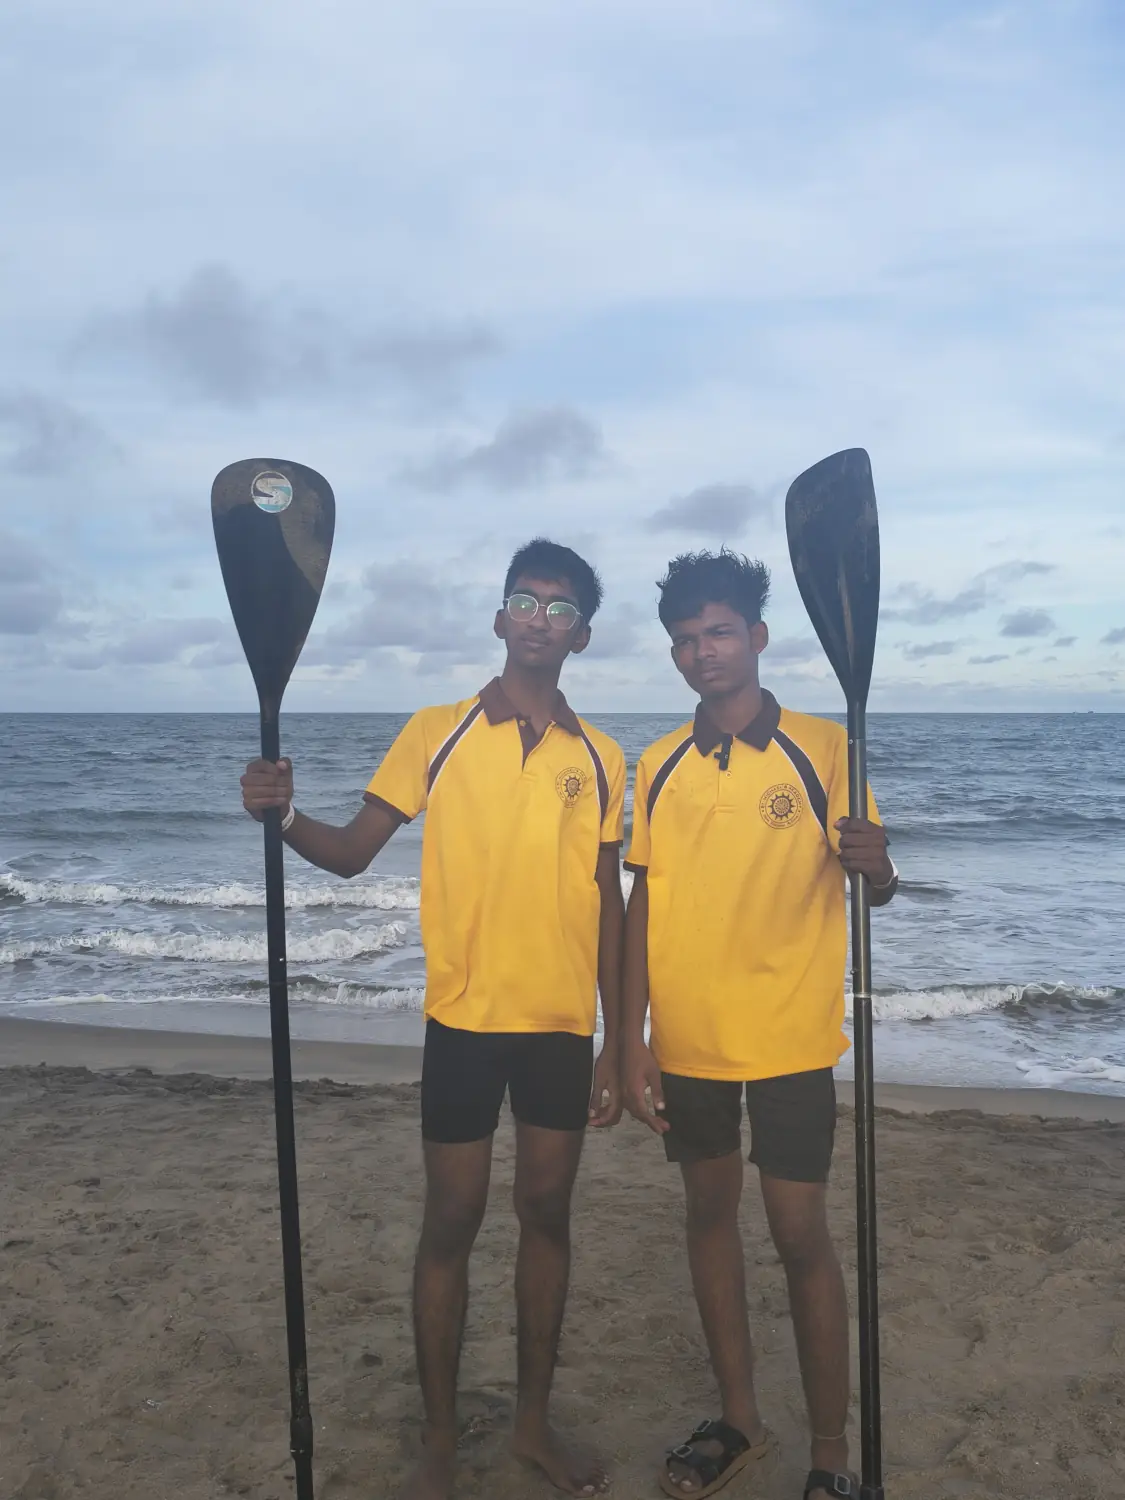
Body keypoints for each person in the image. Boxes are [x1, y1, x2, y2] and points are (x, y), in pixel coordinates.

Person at [241, 539, 626, 1500]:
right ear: (498, 619)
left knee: (546, 1215)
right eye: (524, 601)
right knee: (450, 1219)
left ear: (581, 637)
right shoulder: (436, 731)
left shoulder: (601, 756)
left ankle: (530, 1425)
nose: (539, 619)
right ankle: (441, 1442)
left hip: (558, 1027)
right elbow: (352, 852)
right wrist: (282, 817)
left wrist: (622, 1039)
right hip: (462, 1020)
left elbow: (609, 904)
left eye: (561, 609)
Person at [621, 549, 898, 1500]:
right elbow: (642, 904)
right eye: (684, 640)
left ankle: (829, 1453)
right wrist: (629, 1038)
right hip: (689, 1039)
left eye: (718, 632)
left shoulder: (826, 749)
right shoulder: (658, 763)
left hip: (789, 1038)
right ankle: (738, 1419)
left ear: (757, 637)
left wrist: (878, 864)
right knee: (708, 1221)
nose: (702, 652)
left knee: (797, 1233)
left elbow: (875, 885)